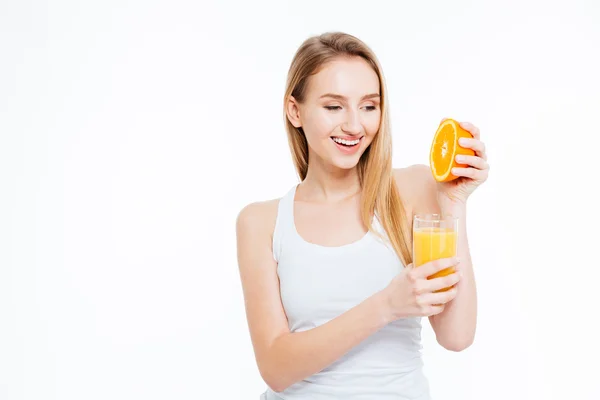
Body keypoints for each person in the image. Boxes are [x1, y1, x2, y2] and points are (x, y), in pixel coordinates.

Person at [236, 31, 489, 400]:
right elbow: (275, 368)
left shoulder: (413, 189)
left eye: (369, 106)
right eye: (334, 107)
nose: (355, 126)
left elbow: (457, 336)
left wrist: (454, 205)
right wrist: (386, 305)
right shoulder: (260, 223)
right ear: (295, 111)